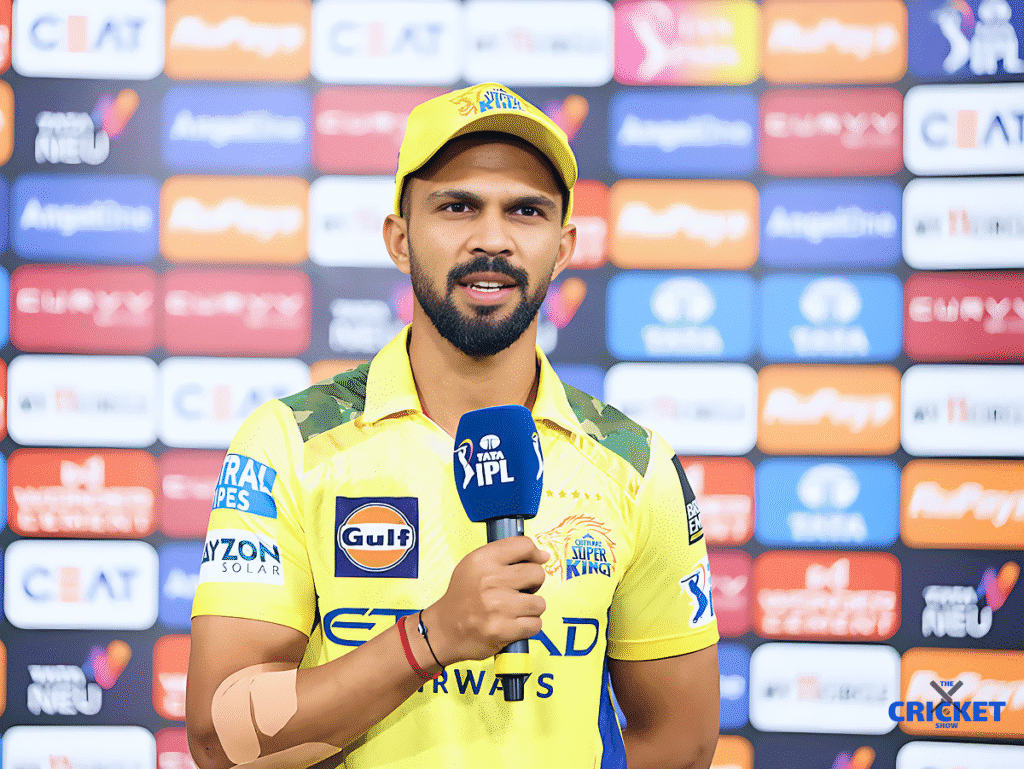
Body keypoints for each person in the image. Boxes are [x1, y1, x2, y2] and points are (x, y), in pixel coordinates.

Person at [186, 82, 720, 769]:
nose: (491, 239)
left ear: (562, 248)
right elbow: (219, 739)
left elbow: (682, 742)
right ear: (401, 240)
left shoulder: (636, 463)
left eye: (525, 211)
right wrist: (429, 638)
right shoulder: (291, 442)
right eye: (457, 205)